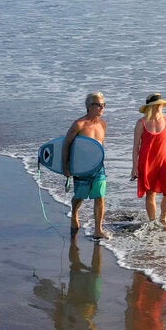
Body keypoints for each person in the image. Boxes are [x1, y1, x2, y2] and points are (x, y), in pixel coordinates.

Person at [131, 93, 166, 230]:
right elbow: (136, 147)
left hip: (165, 161)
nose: (160, 107)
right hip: (147, 162)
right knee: (150, 193)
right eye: (157, 105)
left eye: (161, 105)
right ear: (151, 107)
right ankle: (153, 222)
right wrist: (134, 167)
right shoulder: (141, 123)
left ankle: (163, 218)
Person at [63, 92, 111, 239]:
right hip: (82, 167)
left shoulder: (102, 124)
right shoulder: (79, 124)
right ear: (89, 106)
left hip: (98, 166)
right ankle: (74, 214)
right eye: (99, 105)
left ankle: (98, 230)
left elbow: (100, 146)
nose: (102, 108)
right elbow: (66, 145)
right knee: (80, 196)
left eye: (104, 105)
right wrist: (66, 166)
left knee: (100, 196)